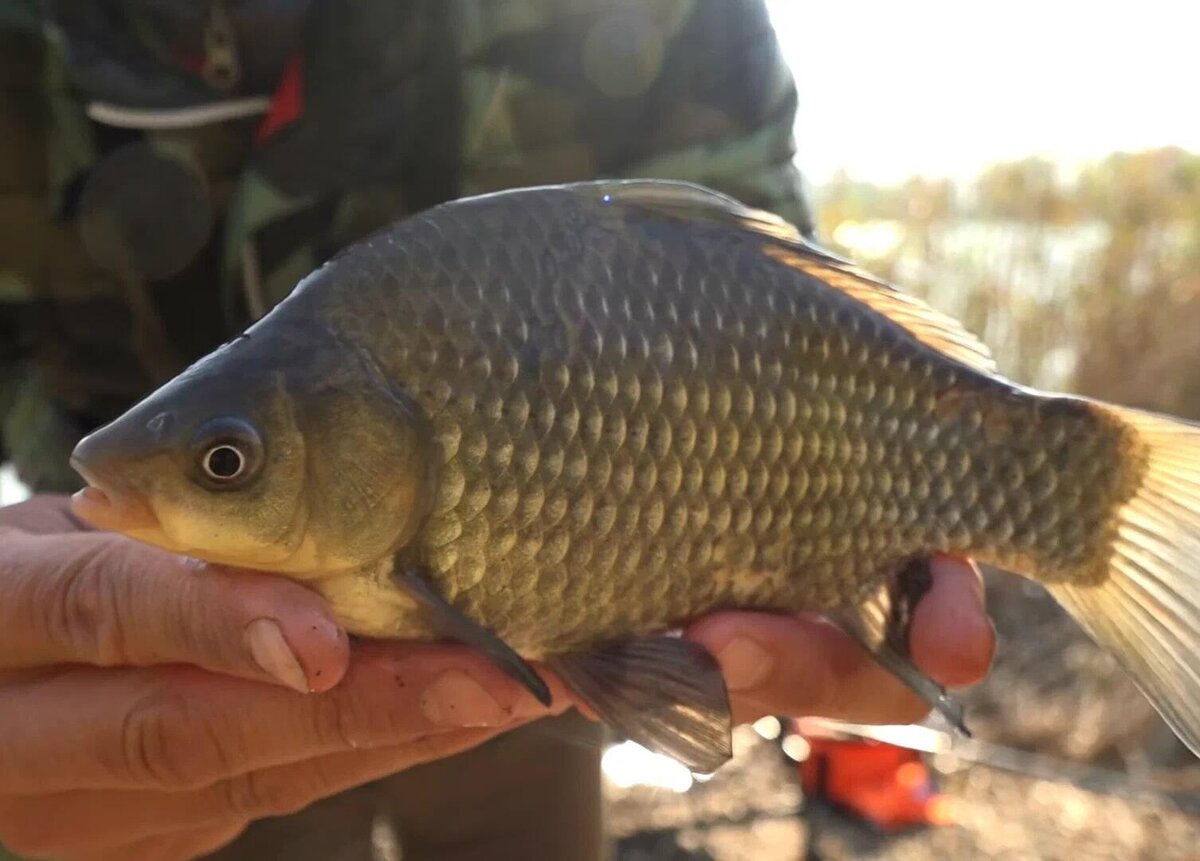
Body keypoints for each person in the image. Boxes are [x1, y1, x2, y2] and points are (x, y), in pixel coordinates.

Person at [0, 2, 997, 859]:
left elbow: (751, 277)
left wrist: (856, 505)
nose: (220, 467)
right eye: (230, 460)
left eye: (225, 463)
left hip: (540, 664)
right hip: (162, 665)